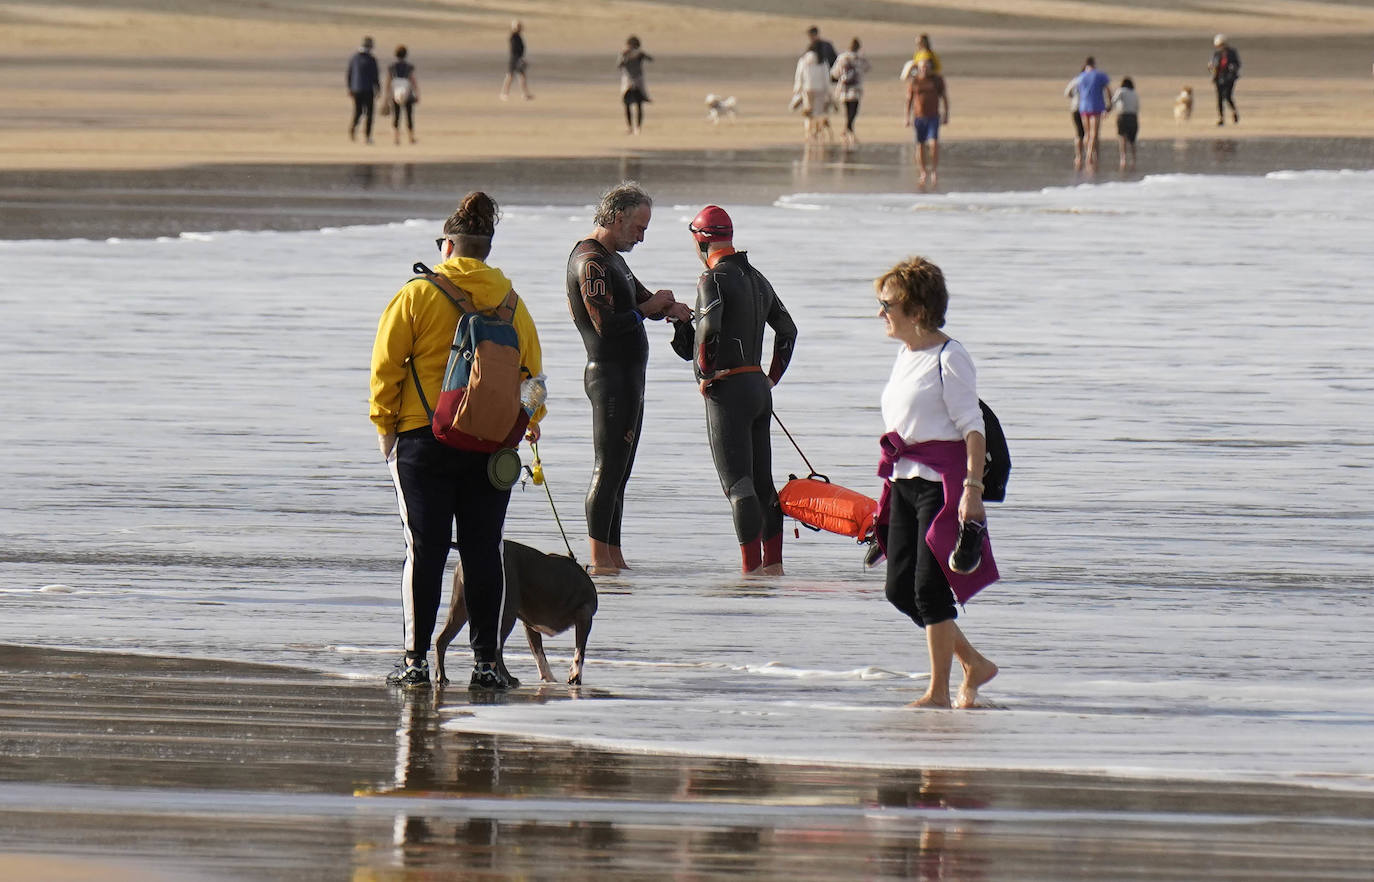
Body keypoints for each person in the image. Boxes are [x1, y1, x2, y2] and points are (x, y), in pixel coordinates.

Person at [370, 192, 546, 691]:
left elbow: (385, 368)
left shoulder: (416, 295)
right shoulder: (513, 303)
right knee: (483, 551)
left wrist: (386, 433)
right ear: (485, 250)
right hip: (492, 447)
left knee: (424, 551)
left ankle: (416, 663)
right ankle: (487, 666)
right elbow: (535, 381)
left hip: (422, 441)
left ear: (447, 245)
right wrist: (526, 424)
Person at [874, 257, 999, 709]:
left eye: (887, 304)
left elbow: (973, 428)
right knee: (899, 589)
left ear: (917, 308)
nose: (880, 313)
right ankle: (974, 664)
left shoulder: (951, 356)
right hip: (904, 480)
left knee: (930, 587)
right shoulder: (906, 355)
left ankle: (939, 692)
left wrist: (972, 490)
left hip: (942, 485)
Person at [566, 183, 691, 574]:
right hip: (608, 377)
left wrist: (668, 307)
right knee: (607, 469)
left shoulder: (613, 259)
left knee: (621, 472)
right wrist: (647, 309)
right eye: (639, 227)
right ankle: (600, 561)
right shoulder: (591, 261)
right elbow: (606, 324)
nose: (642, 236)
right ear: (618, 218)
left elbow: (642, 301)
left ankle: (614, 557)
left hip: (629, 377)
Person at [683, 206, 797, 575]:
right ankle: (773, 570)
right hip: (758, 388)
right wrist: (771, 378)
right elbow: (788, 330)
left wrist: (704, 372)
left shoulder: (712, 280)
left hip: (728, 387)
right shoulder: (758, 278)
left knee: (738, 485)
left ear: (701, 239)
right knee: (764, 482)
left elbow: (710, 330)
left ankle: (750, 575)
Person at [905, 60, 948, 187]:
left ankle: (934, 170)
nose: (924, 69)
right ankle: (923, 172)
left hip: (933, 117)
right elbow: (909, 100)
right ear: (918, 68)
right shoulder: (914, 81)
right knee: (920, 146)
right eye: (922, 67)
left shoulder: (936, 80)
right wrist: (907, 117)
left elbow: (944, 97)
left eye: (926, 67)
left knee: (934, 144)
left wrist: (946, 114)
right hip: (919, 117)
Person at [1068, 57, 1111, 170]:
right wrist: (1109, 104)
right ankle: (1089, 157)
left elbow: (1073, 91)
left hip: (1083, 107)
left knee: (1086, 133)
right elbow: (1108, 89)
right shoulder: (1100, 75)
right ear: (1094, 64)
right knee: (1094, 133)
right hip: (1096, 106)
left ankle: (1087, 154)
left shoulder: (1081, 77)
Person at [831, 38, 872, 149]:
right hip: (855, 88)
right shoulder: (860, 58)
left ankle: (847, 131)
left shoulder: (842, 57)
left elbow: (834, 73)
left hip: (844, 88)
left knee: (848, 111)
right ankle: (848, 131)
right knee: (853, 111)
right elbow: (868, 68)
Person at [793, 45, 832, 142]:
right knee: (819, 112)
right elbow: (826, 77)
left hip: (807, 88)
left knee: (808, 112)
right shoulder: (822, 61)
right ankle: (817, 132)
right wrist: (828, 91)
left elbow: (799, 74)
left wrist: (798, 88)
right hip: (820, 89)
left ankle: (808, 133)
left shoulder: (803, 60)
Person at [347, 36, 380, 144]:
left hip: (356, 88)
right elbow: (375, 76)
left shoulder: (354, 58)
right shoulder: (371, 59)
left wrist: (350, 88)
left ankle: (353, 129)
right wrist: (378, 89)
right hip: (368, 89)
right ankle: (367, 136)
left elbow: (349, 74)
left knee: (358, 111)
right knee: (369, 113)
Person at [384, 45, 419, 146]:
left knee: (396, 116)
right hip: (408, 94)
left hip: (395, 94)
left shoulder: (391, 67)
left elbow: (388, 82)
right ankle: (411, 137)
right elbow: (413, 81)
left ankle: (396, 138)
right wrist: (417, 93)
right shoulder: (409, 67)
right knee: (409, 116)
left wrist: (387, 96)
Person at [618, 36, 654, 134]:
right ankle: (630, 127)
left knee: (639, 104)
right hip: (628, 81)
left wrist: (640, 55)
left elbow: (650, 59)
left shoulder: (639, 54)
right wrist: (625, 57)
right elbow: (619, 65)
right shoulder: (624, 54)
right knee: (627, 105)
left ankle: (638, 127)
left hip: (638, 80)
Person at [1208, 34, 1241, 126]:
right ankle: (1221, 118)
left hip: (1229, 78)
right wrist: (1210, 67)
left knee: (1227, 96)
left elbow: (1237, 64)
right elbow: (1212, 65)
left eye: (1221, 45)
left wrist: (1233, 68)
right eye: (1218, 45)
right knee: (1219, 98)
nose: (1220, 47)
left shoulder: (1232, 52)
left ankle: (1234, 112)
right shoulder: (1216, 54)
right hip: (1218, 77)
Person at [500, 20, 533, 100]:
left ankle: (524, 94)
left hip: (518, 58)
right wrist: (519, 59)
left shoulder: (518, 36)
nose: (519, 28)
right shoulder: (513, 37)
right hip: (514, 59)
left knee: (521, 77)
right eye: (518, 26)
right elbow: (514, 49)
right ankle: (504, 93)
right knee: (510, 76)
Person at [1112, 76, 1140, 171]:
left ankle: (1123, 158)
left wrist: (1107, 109)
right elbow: (1137, 107)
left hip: (1122, 116)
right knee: (1132, 140)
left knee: (1122, 138)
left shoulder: (1121, 91)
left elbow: (1113, 101)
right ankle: (1133, 158)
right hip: (1133, 116)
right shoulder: (1135, 93)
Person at [1063, 63, 1087, 170]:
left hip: (1075, 107)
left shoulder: (1076, 80)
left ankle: (1078, 156)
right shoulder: (1087, 81)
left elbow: (1067, 92)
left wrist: (1074, 97)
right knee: (1087, 133)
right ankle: (1088, 154)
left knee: (1079, 133)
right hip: (1085, 108)